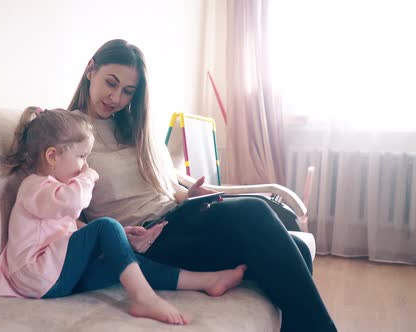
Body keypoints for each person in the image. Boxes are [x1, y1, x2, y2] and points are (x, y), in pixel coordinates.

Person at [67, 39, 337, 332]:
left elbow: (163, 187)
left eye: (127, 91)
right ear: (91, 70)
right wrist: (117, 238)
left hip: (175, 220)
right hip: (144, 241)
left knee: (293, 239)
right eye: (111, 83)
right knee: (255, 211)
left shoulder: (133, 127)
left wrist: (188, 196)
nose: (116, 98)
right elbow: (62, 214)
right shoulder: (67, 132)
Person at [0, 107, 247, 325]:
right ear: (51, 156)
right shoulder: (34, 187)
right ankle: (144, 299)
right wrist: (88, 177)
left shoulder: (50, 192)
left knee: (123, 263)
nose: (85, 165)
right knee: (106, 226)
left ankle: (206, 281)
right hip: (36, 276)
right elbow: (73, 203)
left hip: (53, 276)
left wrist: (118, 239)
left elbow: (68, 231)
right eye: (81, 157)